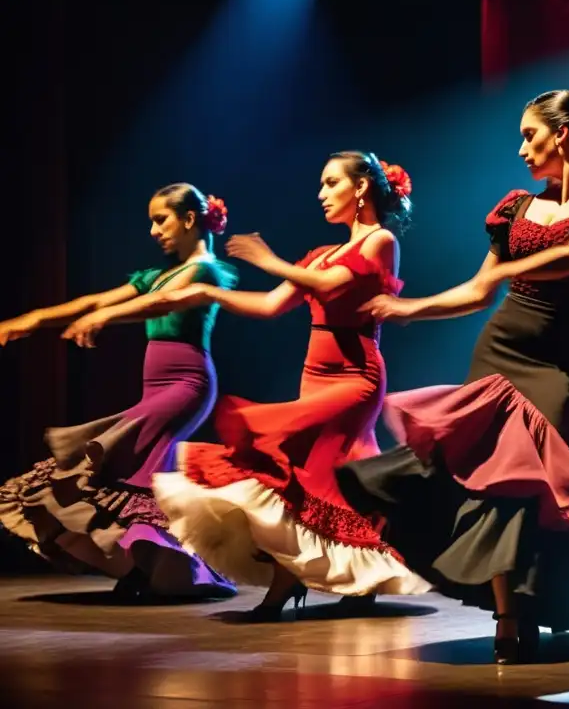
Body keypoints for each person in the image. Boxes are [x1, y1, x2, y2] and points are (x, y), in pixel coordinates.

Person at [339, 91, 569, 665]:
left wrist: (512, 268)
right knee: (495, 482)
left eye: (530, 135)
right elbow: (476, 290)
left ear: (561, 136)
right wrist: (412, 309)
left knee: (539, 484)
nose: (521, 149)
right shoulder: (514, 208)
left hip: (559, 359)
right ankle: (510, 615)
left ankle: (549, 599)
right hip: (501, 347)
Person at [145, 152, 430, 621]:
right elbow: (272, 305)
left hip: (354, 379)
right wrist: (209, 293)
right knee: (315, 480)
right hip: (313, 375)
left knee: (290, 459)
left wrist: (269, 259)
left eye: (330, 182)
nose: (320, 193)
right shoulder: (320, 253)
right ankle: (323, 583)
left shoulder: (380, 241)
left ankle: (289, 587)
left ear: (360, 189)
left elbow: (334, 286)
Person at [0, 184, 237, 600]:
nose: (152, 230)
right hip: (156, 386)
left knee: (123, 465)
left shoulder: (208, 271)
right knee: (134, 476)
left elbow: (161, 304)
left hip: (186, 384)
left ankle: (162, 566)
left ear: (188, 219)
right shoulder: (155, 274)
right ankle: (158, 567)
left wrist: (108, 317)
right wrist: (36, 319)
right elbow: (95, 300)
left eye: (160, 219)